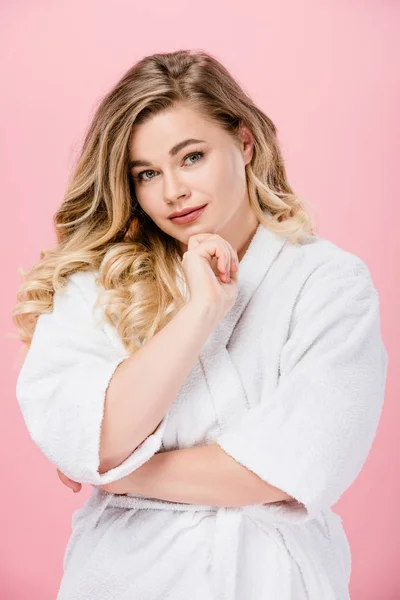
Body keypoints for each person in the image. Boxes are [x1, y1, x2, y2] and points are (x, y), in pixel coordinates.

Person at [13, 49, 388, 600]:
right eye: (147, 173)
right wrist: (199, 312)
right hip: (124, 578)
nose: (172, 192)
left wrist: (118, 476)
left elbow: (299, 469)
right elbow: (98, 438)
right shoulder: (97, 283)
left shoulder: (329, 281)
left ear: (243, 142)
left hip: (274, 580)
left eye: (191, 157)